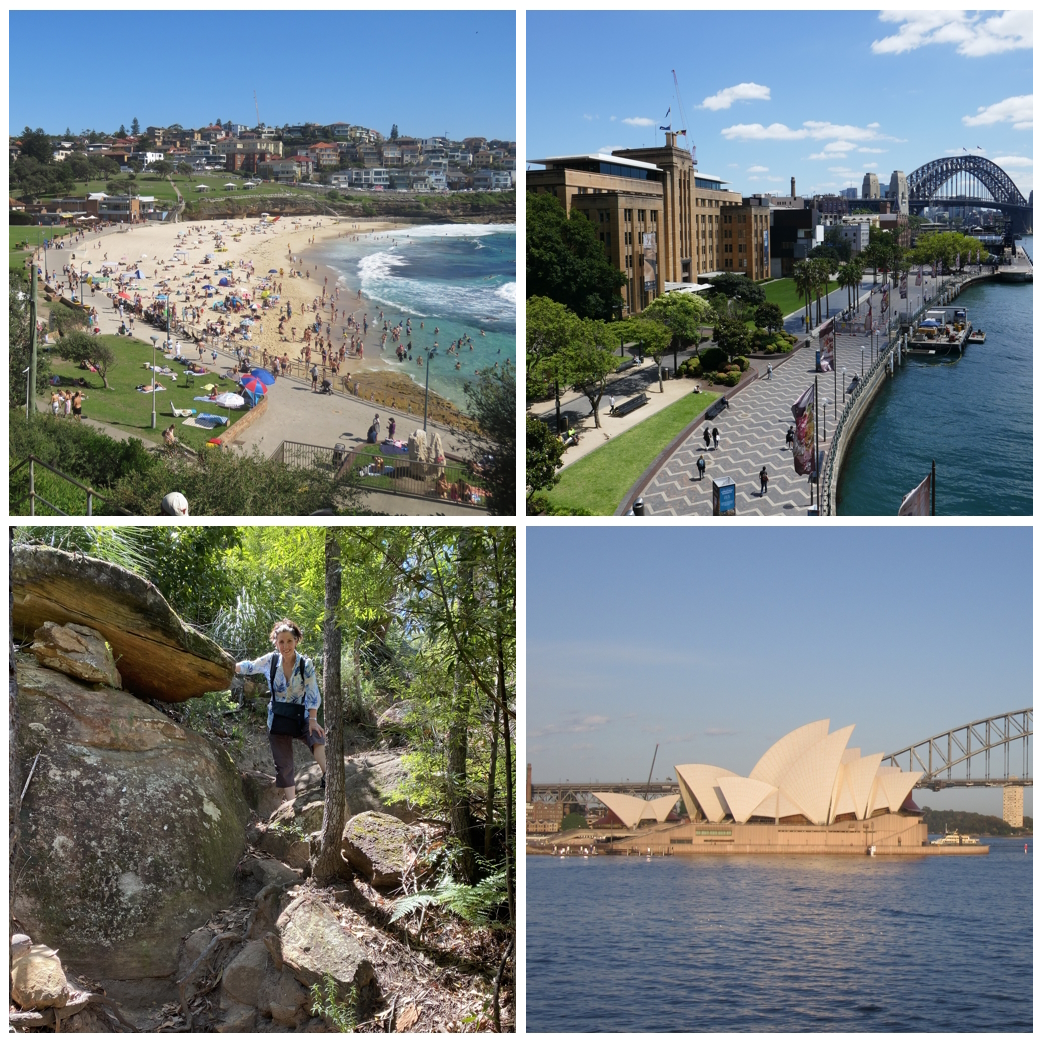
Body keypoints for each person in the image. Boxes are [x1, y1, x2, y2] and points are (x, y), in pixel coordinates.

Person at [235, 618, 326, 804]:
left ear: (296, 641)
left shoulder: (305, 664)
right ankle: (292, 805)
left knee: (316, 736)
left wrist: (313, 719)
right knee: (284, 764)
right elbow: (250, 666)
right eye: (281, 641)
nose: (285, 646)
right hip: (278, 718)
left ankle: (329, 776)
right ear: (276, 643)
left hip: (302, 716)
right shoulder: (271, 660)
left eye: (289, 641)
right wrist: (231, 666)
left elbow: (312, 691)